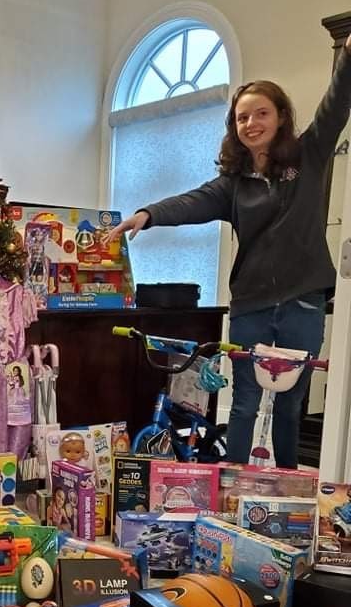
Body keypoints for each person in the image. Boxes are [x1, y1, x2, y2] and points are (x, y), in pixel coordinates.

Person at [109, 34, 351, 468]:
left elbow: (334, 108)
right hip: (251, 305)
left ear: (280, 117)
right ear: (234, 127)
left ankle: (287, 487)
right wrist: (147, 214)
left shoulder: (307, 157)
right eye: (242, 117)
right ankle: (233, 489)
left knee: (290, 405)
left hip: (302, 303)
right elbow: (192, 201)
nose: (251, 123)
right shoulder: (233, 184)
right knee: (244, 405)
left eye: (261, 113)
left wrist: (348, 56)